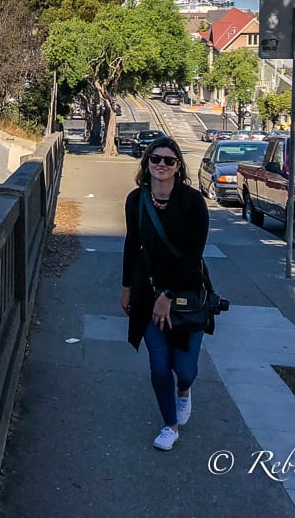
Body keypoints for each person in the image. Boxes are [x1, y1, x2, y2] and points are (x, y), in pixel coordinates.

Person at [120, 136, 210, 451]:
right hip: (146, 292)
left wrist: (168, 294)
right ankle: (169, 425)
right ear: (146, 164)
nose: (161, 164)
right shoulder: (136, 200)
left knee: (184, 369)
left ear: (178, 167)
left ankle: (184, 391)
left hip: (185, 296)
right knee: (159, 364)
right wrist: (126, 287)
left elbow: (193, 254)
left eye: (168, 160)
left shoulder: (193, 202)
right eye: (155, 159)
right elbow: (132, 244)